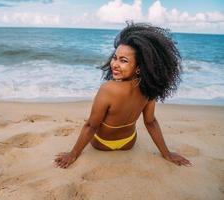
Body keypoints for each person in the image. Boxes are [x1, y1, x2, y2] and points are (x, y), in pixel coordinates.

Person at [54, 22, 193, 169]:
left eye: (123, 60)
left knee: (92, 121)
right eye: (115, 57)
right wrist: (167, 153)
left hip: (102, 144)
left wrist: (73, 154)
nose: (114, 64)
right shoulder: (149, 88)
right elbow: (150, 122)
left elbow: (91, 126)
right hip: (128, 142)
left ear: (139, 67)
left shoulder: (108, 89)